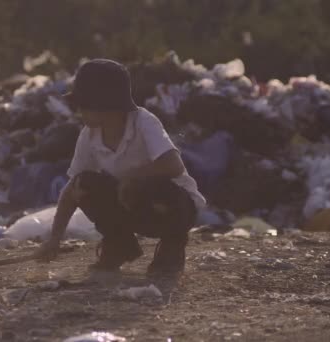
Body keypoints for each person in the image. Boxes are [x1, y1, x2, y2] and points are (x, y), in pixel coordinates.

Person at [34, 59, 206, 277]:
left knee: (153, 186)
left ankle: (172, 247)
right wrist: (54, 239)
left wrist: (131, 178)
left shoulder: (144, 122)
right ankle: (120, 245)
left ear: (104, 106)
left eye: (84, 105)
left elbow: (174, 165)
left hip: (171, 208)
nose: (79, 111)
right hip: (130, 204)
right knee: (84, 183)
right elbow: (72, 190)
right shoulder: (89, 135)